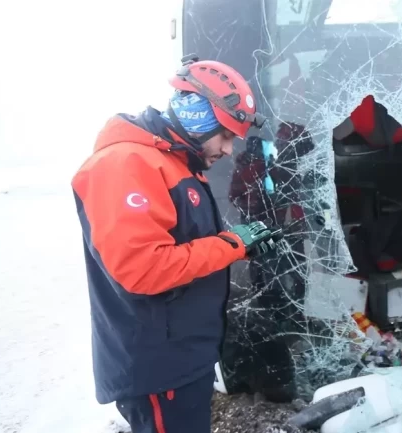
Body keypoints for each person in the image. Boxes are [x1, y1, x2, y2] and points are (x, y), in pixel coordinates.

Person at [70, 55, 283, 433]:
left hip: (182, 357)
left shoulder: (174, 164)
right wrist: (232, 244)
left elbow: (188, 246)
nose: (229, 150)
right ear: (200, 117)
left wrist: (242, 246)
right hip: (159, 367)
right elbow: (144, 269)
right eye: (227, 135)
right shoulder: (126, 164)